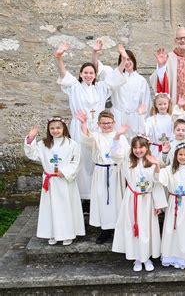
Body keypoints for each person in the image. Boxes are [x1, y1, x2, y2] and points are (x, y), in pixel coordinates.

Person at [55, 42, 128, 201]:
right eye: (85, 72)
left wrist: (123, 58)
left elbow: (117, 75)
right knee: (80, 158)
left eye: (91, 73)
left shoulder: (101, 87)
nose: (88, 75)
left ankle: (97, 195)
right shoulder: (74, 87)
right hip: (79, 128)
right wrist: (59, 57)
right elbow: (63, 73)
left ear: (95, 75)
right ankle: (81, 195)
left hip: (97, 129)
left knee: (98, 158)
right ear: (80, 74)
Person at [111, 132, 168, 272]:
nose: (138, 150)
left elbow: (157, 183)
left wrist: (159, 204)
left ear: (147, 147)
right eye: (135, 147)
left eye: (141, 147)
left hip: (148, 201)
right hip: (132, 199)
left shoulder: (152, 162)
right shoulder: (128, 162)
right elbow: (115, 154)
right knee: (133, 228)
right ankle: (136, 258)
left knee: (147, 230)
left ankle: (146, 257)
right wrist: (117, 137)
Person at [24, 117, 85, 246]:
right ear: (48, 130)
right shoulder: (43, 144)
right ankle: (53, 233)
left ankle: (68, 234)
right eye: (52, 128)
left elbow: (77, 162)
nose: (55, 130)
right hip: (50, 182)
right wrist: (30, 139)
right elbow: (32, 154)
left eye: (58, 127)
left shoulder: (71, 144)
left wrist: (65, 171)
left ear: (64, 128)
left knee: (66, 208)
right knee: (51, 208)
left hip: (64, 181)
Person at [77, 110, 127, 244]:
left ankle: (117, 228)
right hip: (100, 172)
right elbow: (86, 138)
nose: (106, 125)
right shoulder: (96, 136)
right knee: (102, 200)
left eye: (109, 123)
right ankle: (105, 230)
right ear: (99, 124)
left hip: (116, 172)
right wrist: (84, 123)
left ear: (114, 123)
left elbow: (127, 155)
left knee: (117, 200)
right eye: (103, 123)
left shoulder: (120, 137)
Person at [93, 41, 151, 139]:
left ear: (134, 60)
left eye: (129, 59)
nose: (127, 63)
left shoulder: (141, 80)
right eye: (124, 59)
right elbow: (98, 69)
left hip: (134, 117)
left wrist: (142, 119)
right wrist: (95, 53)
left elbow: (145, 103)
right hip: (118, 115)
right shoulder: (115, 75)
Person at [157, 142, 185, 269]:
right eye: (180, 154)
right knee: (173, 228)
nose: (183, 157)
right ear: (176, 155)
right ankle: (170, 255)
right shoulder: (170, 169)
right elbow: (159, 178)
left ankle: (184, 256)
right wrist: (157, 164)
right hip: (174, 203)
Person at [144, 93, 174, 158]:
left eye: (165, 104)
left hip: (170, 149)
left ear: (168, 104)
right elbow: (145, 131)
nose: (163, 106)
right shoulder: (151, 120)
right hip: (154, 150)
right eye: (160, 104)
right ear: (156, 105)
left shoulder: (172, 119)